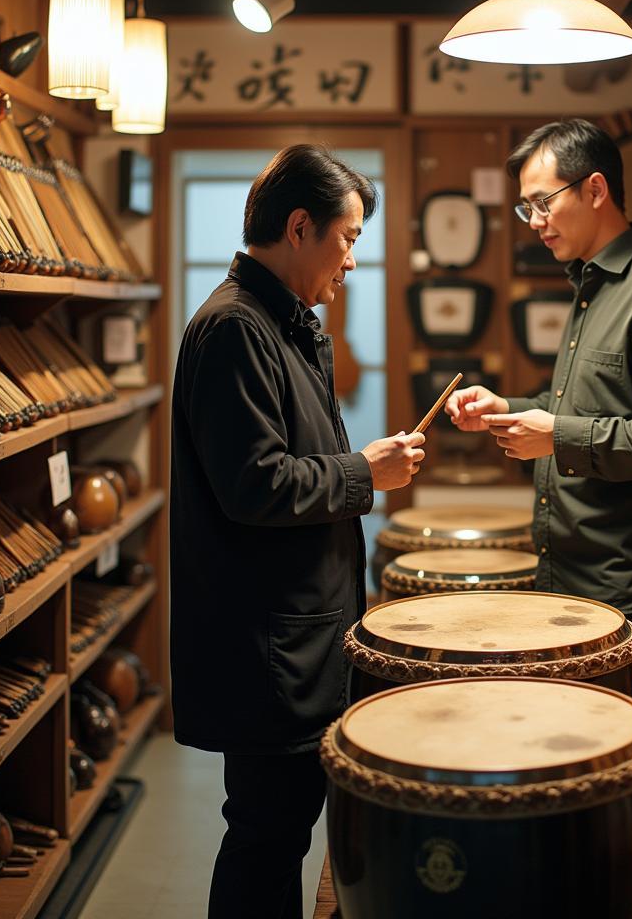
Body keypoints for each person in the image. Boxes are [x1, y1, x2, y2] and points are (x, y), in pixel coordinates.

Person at [170, 144, 425, 919]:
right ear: (300, 226)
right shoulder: (236, 328)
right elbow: (256, 484)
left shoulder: (283, 323)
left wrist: (358, 473)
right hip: (267, 647)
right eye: (347, 240)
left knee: (278, 834)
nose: (351, 262)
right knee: (266, 835)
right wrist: (363, 473)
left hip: (297, 634)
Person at [445, 119, 632, 715]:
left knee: (618, 775)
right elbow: (580, 411)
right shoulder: (590, 284)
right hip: (569, 576)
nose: (536, 221)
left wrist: (556, 435)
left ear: (595, 190)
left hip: (627, 591)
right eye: (525, 209)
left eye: (543, 202)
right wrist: (508, 410)